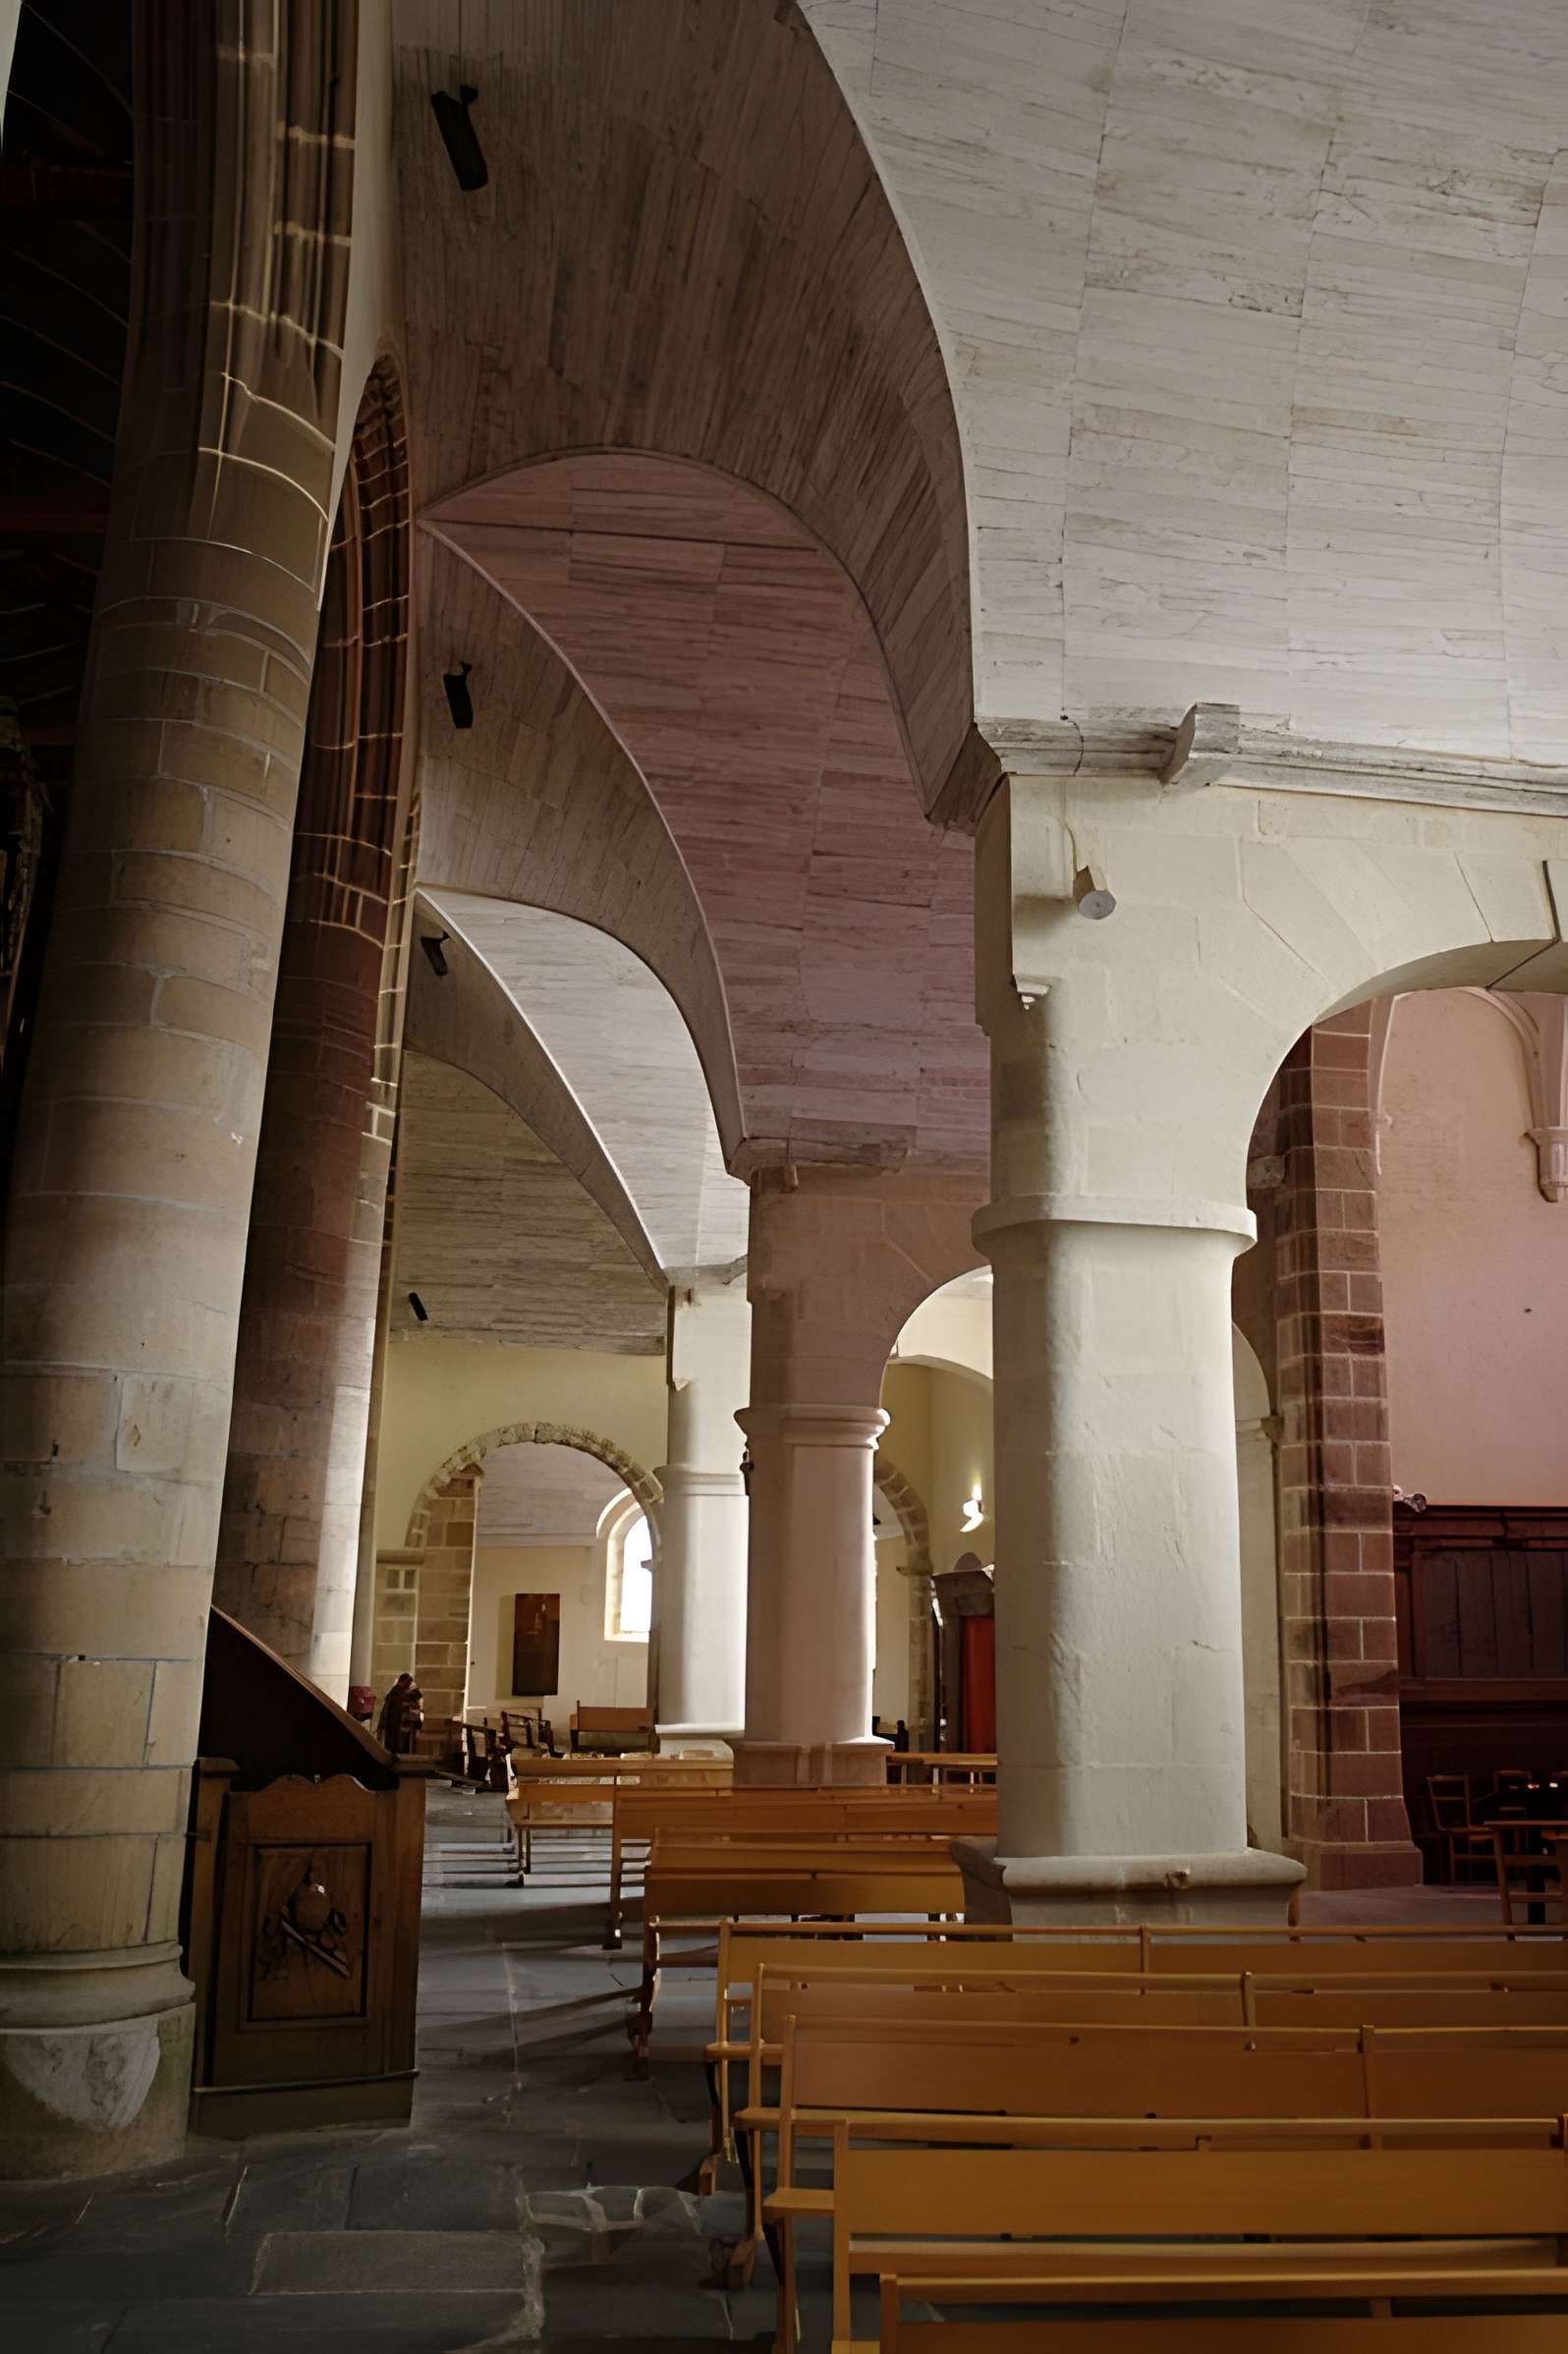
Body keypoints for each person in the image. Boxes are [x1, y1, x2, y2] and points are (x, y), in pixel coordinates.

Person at [375, 1672, 422, 1756]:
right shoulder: (396, 1691)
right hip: (391, 1720)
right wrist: (408, 1705)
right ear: (403, 1682)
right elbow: (397, 1705)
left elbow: (403, 1701)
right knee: (391, 1740)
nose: (409, 1685)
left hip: (396, 1720)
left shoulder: (401, 1690)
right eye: (408, 1683)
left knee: (395, 1740)